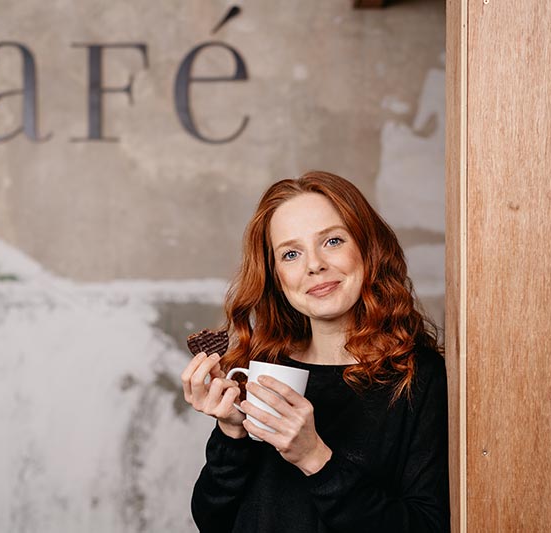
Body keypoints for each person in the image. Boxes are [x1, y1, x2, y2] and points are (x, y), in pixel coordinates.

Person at [180, 171, 450, 532]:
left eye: (333, 241)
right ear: (276, 275)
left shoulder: (419, 377)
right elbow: (214, 521)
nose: (314, 265)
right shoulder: (264, 367)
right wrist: (232, 434)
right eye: (291, 253)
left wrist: (315, 457)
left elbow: (427, 526)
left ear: (368, 248)